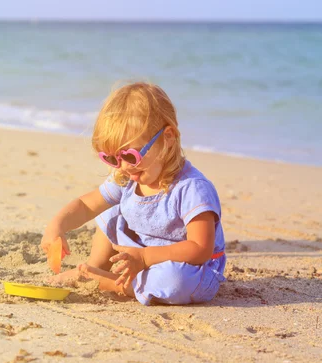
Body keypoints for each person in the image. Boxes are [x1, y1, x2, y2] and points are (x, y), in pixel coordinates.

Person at [40, 82, 226, 305]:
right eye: (111, 158)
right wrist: (57, 226)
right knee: (110, 210)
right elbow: (87, 205)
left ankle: (109, 282)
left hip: (189, 265)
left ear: (167, 138)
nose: (123, 167)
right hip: (139, 253)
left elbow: (200, 249)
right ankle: (95, 268)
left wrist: (146, 258)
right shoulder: (126, 176)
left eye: (130, 156)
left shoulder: (191, 188)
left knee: (175, 281)